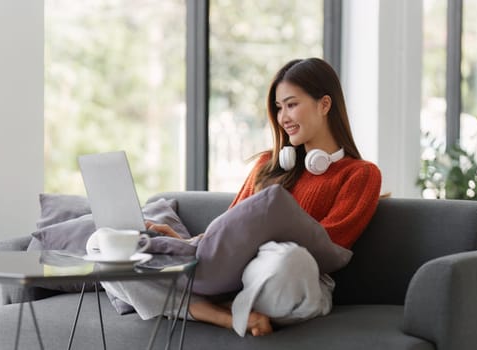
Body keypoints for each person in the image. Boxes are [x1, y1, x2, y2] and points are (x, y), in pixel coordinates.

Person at [103, 57, 381, 337]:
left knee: (290, 259)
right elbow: (230, 228)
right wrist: (185, 244)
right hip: (234, 273)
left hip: (293, 279)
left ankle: (211, 303)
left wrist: (274, 222)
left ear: (324, 104)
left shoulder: (361, 174)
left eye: (292, 104)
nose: (283, 117)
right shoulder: (267, 166)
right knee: (112, 261)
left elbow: (332, 247)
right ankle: (217, 314)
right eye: (279, 107)